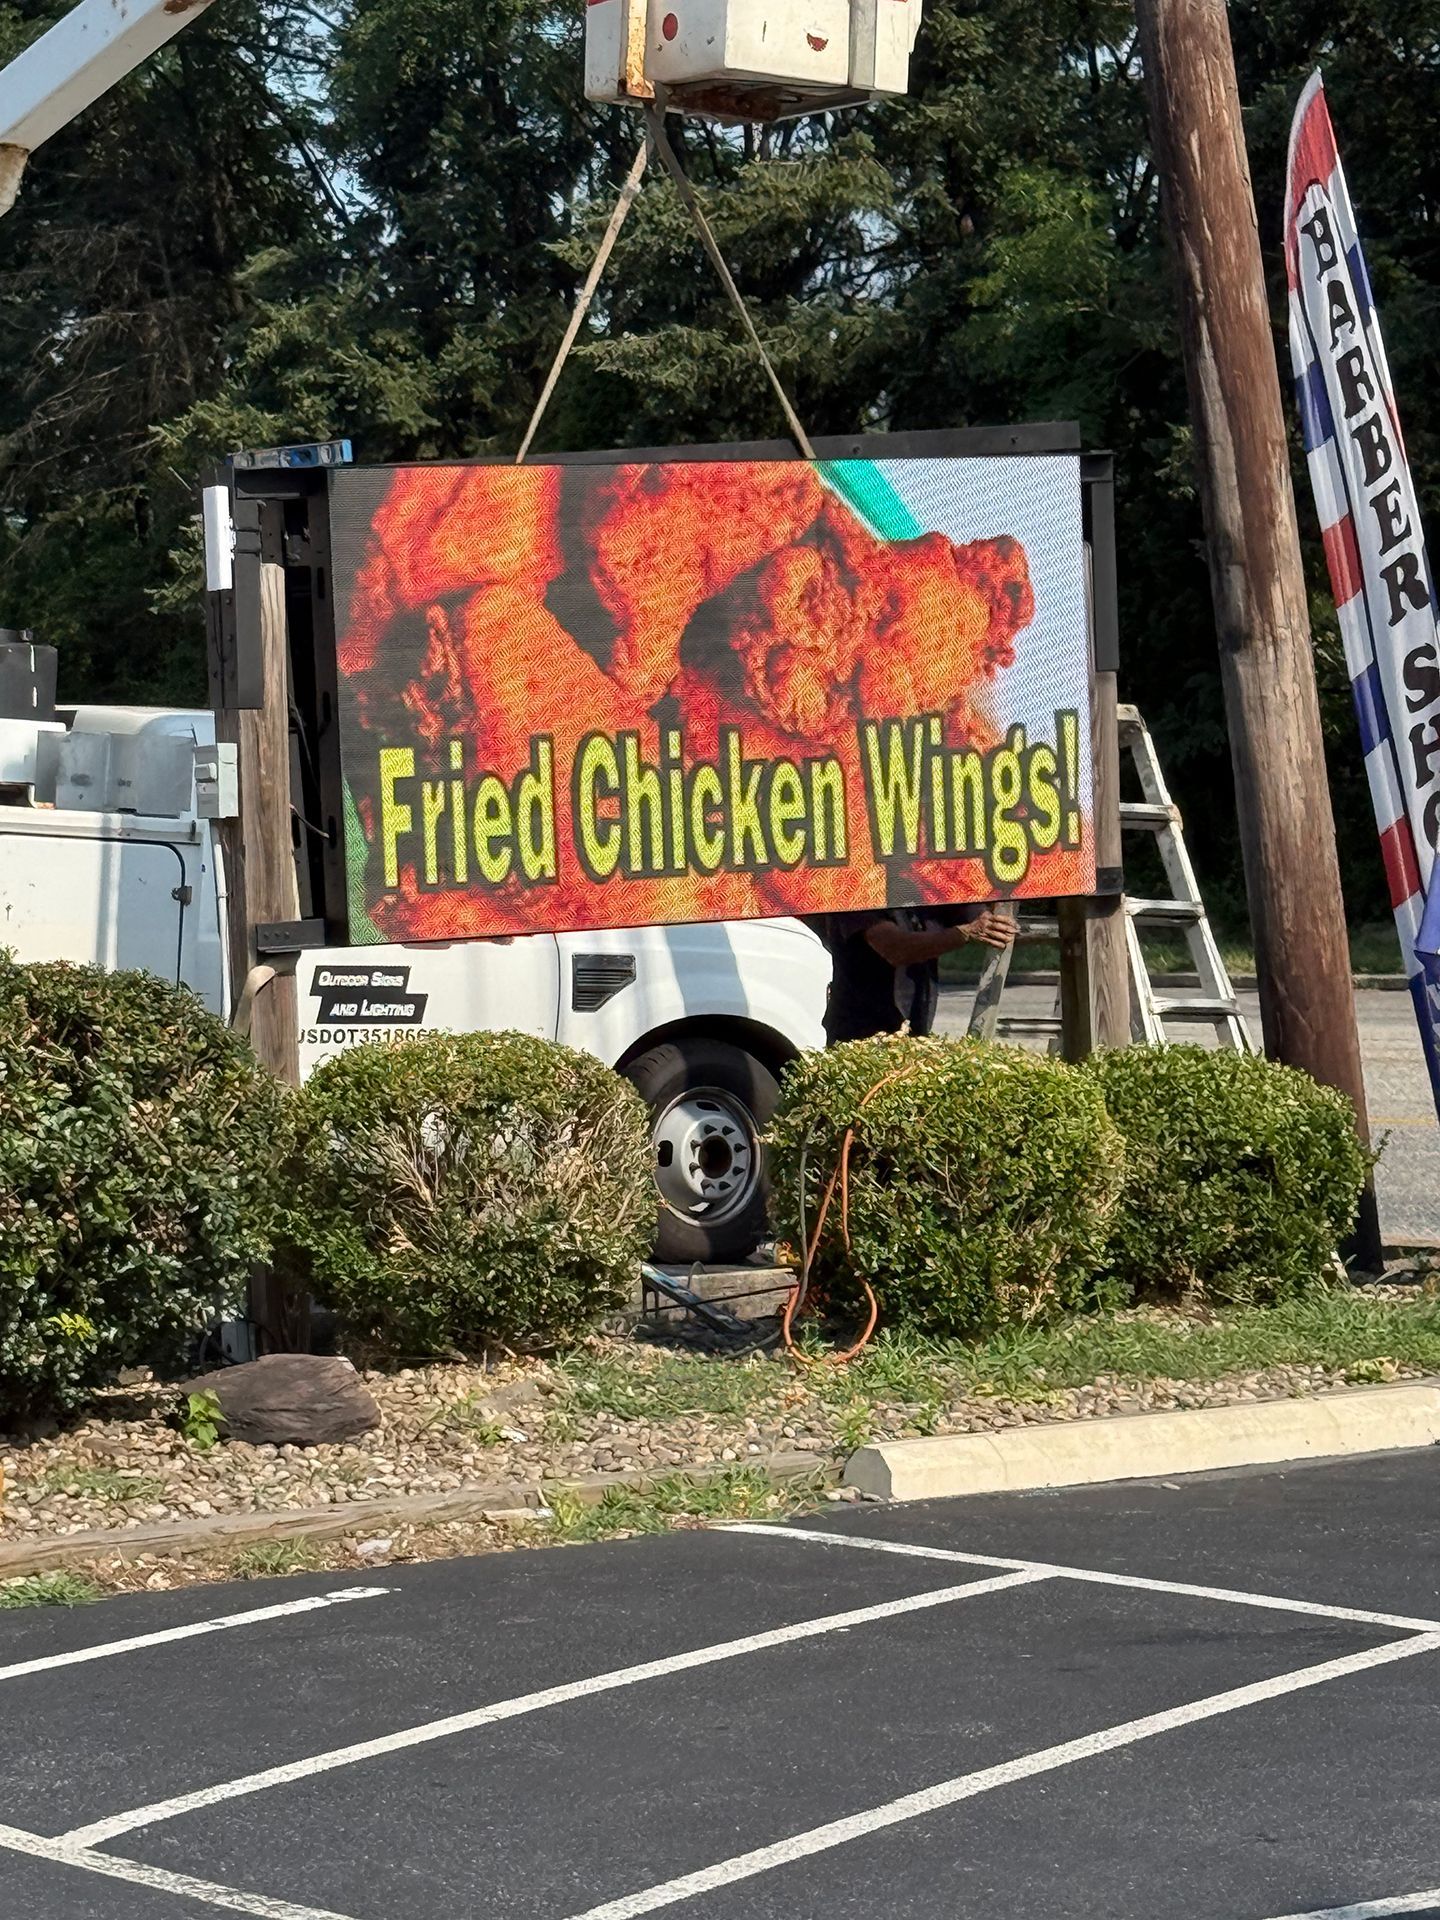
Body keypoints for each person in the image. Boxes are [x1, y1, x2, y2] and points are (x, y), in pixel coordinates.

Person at [816, 904, 1016, 1045]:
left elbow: (960, 904)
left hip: (914, 1025)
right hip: (858, 1035)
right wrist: (964, 933)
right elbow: (895, 947)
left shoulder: (920, 885)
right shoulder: (855, 891)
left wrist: (984, 917)